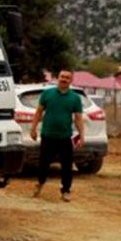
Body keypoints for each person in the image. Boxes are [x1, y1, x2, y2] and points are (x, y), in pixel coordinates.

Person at [30, 69, 85, 202]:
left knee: (67, 166)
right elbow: (38, 112)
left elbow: (78, 118)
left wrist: (82, 136)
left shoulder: (75, 98)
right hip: (47, 135)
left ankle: (66, 190)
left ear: (70, 81)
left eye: (67, 77)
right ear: (58, 78)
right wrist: (33, 128)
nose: (64, 79)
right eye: (62, 76)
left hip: (65, 137)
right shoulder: (47, 94)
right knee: (43, 163)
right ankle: (40, 183)